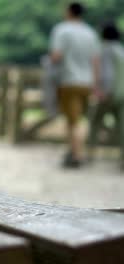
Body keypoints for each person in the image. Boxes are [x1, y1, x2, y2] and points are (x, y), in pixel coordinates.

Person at [50, 2, 100, 168]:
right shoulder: (90, 32)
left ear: (70, 12)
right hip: (87, 82)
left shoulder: (62, 30)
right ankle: (75, 151)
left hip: (69, 80)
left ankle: (77, 155)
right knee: (80, 119)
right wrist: (95, 84)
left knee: (72, 121)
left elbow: (56, 56)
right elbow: (95, 61)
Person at [88, 23, 124, 169]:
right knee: (122, 126)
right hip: (122, 94)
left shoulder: (105, 50)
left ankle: (90, 152)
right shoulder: (121, 50)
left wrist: (101, 91)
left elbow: (107, 73)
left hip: (109, 93)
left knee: (94, 121)